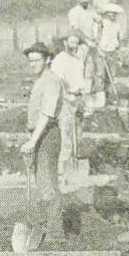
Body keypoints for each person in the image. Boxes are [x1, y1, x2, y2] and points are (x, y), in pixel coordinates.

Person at [19, 41, 65, 244]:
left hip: (46, 136)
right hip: (40, 135)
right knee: (43, 182)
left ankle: (56, 235)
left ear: (48, 59)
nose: (33, 64)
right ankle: (50, 225)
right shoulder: (41, 80)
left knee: (47, 186)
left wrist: (33, 141)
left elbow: (46, 114)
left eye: (37, 60)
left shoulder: (51, 81)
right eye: (30, 61)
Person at [50, 33, 87, 165]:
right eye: (71, 42)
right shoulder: (60, 59)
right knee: (66, 131)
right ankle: (64, 163)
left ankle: (76, 158)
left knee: (78, 130)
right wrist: (68, 92)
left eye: (76, 43)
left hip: (79, 98)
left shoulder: (78, 59)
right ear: (65, 43)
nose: (74, 46)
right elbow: (59, 79)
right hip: (67, 99)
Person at [97, 4, 124, 108]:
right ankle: (100, 99)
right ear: (106, 14)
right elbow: (97, 37)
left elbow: (120, 38)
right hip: (102, 51)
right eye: (110, 13)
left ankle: (108, 97)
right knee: (100, 74)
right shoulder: (102, 23)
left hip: (112, 52)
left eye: (114, 14)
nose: (112, 15)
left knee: (111, 76)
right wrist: (99, 49)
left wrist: (118, 46)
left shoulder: (117, 25)